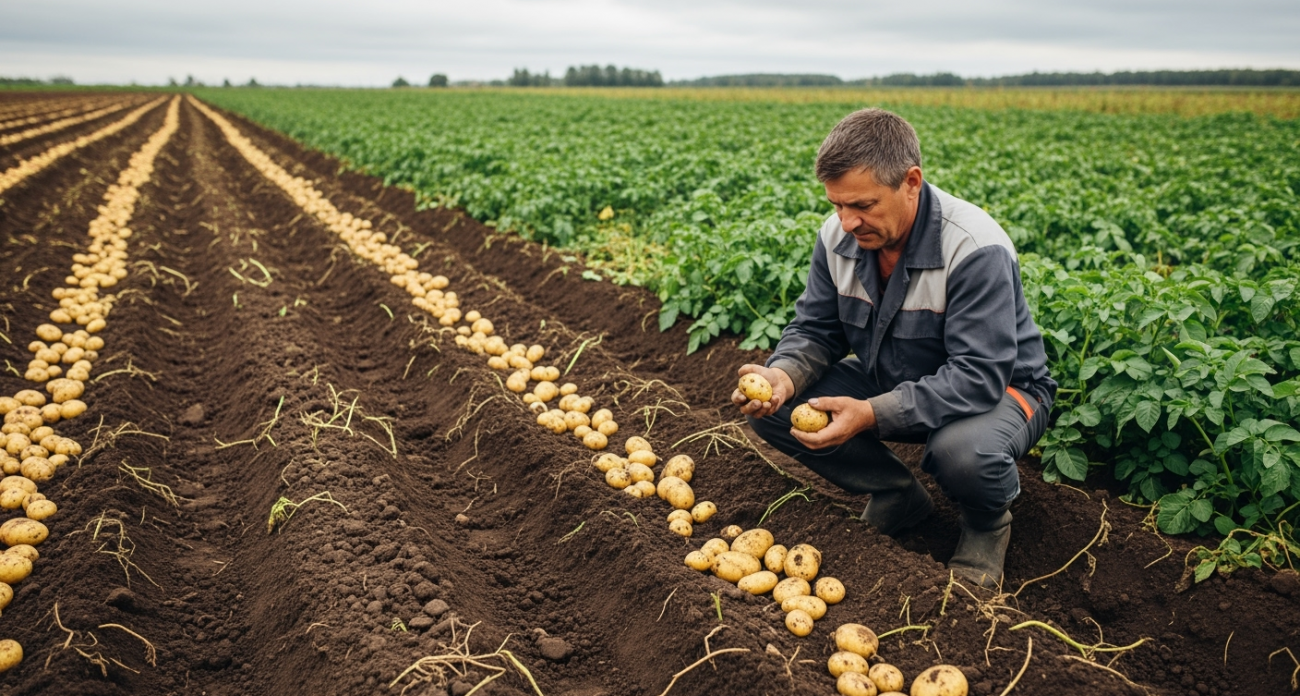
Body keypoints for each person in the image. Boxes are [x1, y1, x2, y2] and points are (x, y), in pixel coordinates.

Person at [733, 108, 1056, 588]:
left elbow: (977, 376)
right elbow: (817, 329)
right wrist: (784, 375)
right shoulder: (837, 236)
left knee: (963, 453)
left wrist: (869, 412)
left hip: (1002, 390)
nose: (846, 221)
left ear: (911, 181)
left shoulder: (972, 248)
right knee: (781, 406)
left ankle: (988, 524)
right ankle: (896, 494)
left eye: (861, 205)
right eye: (837, 205)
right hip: (896, 377)